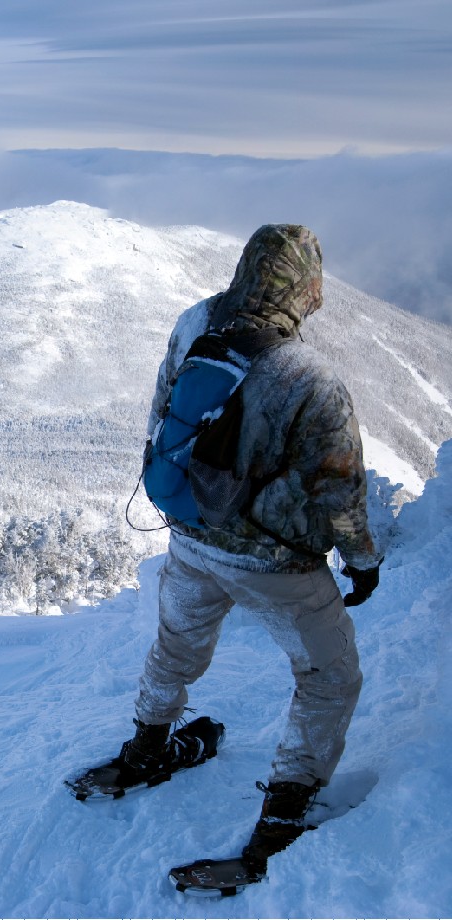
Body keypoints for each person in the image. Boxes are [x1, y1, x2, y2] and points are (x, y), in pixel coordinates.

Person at [122, 224, 382, 874]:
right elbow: (340, 487)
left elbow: (160, 416)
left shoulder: (196, 324)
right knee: (329, 678)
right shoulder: (309, 377)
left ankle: (147, 743)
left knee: (178, 643)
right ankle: (286, 812)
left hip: (189, 535)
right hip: (271, 564)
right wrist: (363, 563)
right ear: (308, 288)